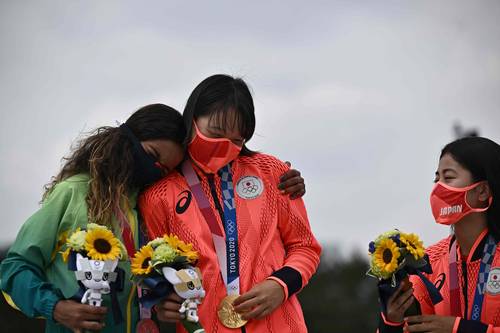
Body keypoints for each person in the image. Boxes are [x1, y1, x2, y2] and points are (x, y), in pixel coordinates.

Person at [0, 103, 306, 333]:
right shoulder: (72, 193)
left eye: (165, 168)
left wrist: (164, 304)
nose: (154, 169)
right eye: (151, 155)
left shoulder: (150, 204)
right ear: (125, 140)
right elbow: (15, 269)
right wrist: (56, 308)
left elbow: (154, 288)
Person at [139, 74, 322, 333]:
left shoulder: (270, 173)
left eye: (237, 140)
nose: (225, 146)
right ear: (192, 119)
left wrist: (280, 285)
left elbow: (305, 247)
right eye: (215, 133)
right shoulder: (158, 196)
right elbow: (152, 275)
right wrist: (162, 304)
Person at [379, 137, 500, 333]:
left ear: (483, 191)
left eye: (448, 177)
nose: (438, 188)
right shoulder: (428, 263)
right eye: (437, 179)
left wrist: (460, 329)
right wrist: (392, 322)